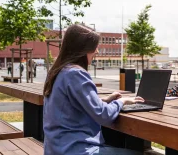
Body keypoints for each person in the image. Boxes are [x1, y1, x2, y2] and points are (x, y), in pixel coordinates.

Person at [43, 24, 144, 155]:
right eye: (94, 47)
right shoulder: (76, 74)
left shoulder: (57, 72)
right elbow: (104, 116)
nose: (97, 51)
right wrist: (122, 102)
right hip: (75, 150)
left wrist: (105, 100)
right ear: (83, 48)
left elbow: (71, 105)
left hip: (56, 149)